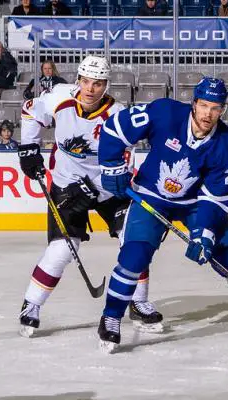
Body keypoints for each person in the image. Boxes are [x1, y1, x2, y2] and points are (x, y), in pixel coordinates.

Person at [96, 77, 228, 352]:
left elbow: (214, 199)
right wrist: (111, 166)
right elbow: (115, 129)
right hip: (151, 196)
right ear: (193, 103)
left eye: (215, 108)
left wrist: (203, 234)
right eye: (203, 105)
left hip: (195, 204)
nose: (208, 113)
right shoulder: (165, 113)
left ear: (223, 110)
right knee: (134, 256)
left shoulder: (226, 145)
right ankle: (111, 317)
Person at [16, 56, 162, 338]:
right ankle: (31, 304)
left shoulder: (118, 116)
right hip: (66, 183)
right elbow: (29, 110)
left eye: (98, 83)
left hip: (109, 189)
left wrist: (92, 188)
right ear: (78, 81)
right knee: (62, 249)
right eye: (86, 82)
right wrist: (28, 148)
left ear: (106, 85)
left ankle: (139, 301)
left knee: (135, 241)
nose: (91, 89)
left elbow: (123, 162)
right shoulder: (59, 98)